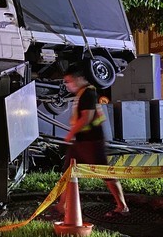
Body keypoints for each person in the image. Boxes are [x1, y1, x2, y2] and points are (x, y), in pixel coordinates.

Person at [55, 63, 128, 217]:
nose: (67, 86)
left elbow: (86, 118)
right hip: (81, 142)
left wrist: (69, 134)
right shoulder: (82, 93)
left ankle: (122, 207)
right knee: (68, 172)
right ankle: (62, 206)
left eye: (68, 81)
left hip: (91, 142)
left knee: (105, 173)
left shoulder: (88, 93)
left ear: (79, 78)